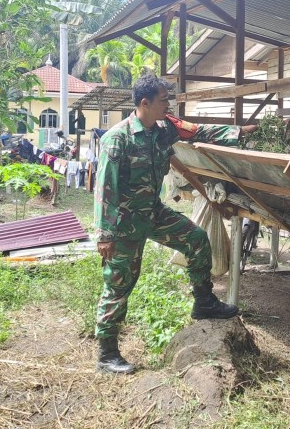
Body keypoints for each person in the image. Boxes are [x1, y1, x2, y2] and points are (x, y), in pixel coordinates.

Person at [94, 74, 257, 374]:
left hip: (153, 213)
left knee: (196, 238)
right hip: (124, 223)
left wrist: (241, 132)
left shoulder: (164, 128)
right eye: (163, 100)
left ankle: (204, 301)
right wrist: (105, 235)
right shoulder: (117, 139)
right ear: (145, 103)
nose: (169, 104)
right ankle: (106, 354)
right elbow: (105, 188)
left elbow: (199, 131)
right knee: (119, 285)